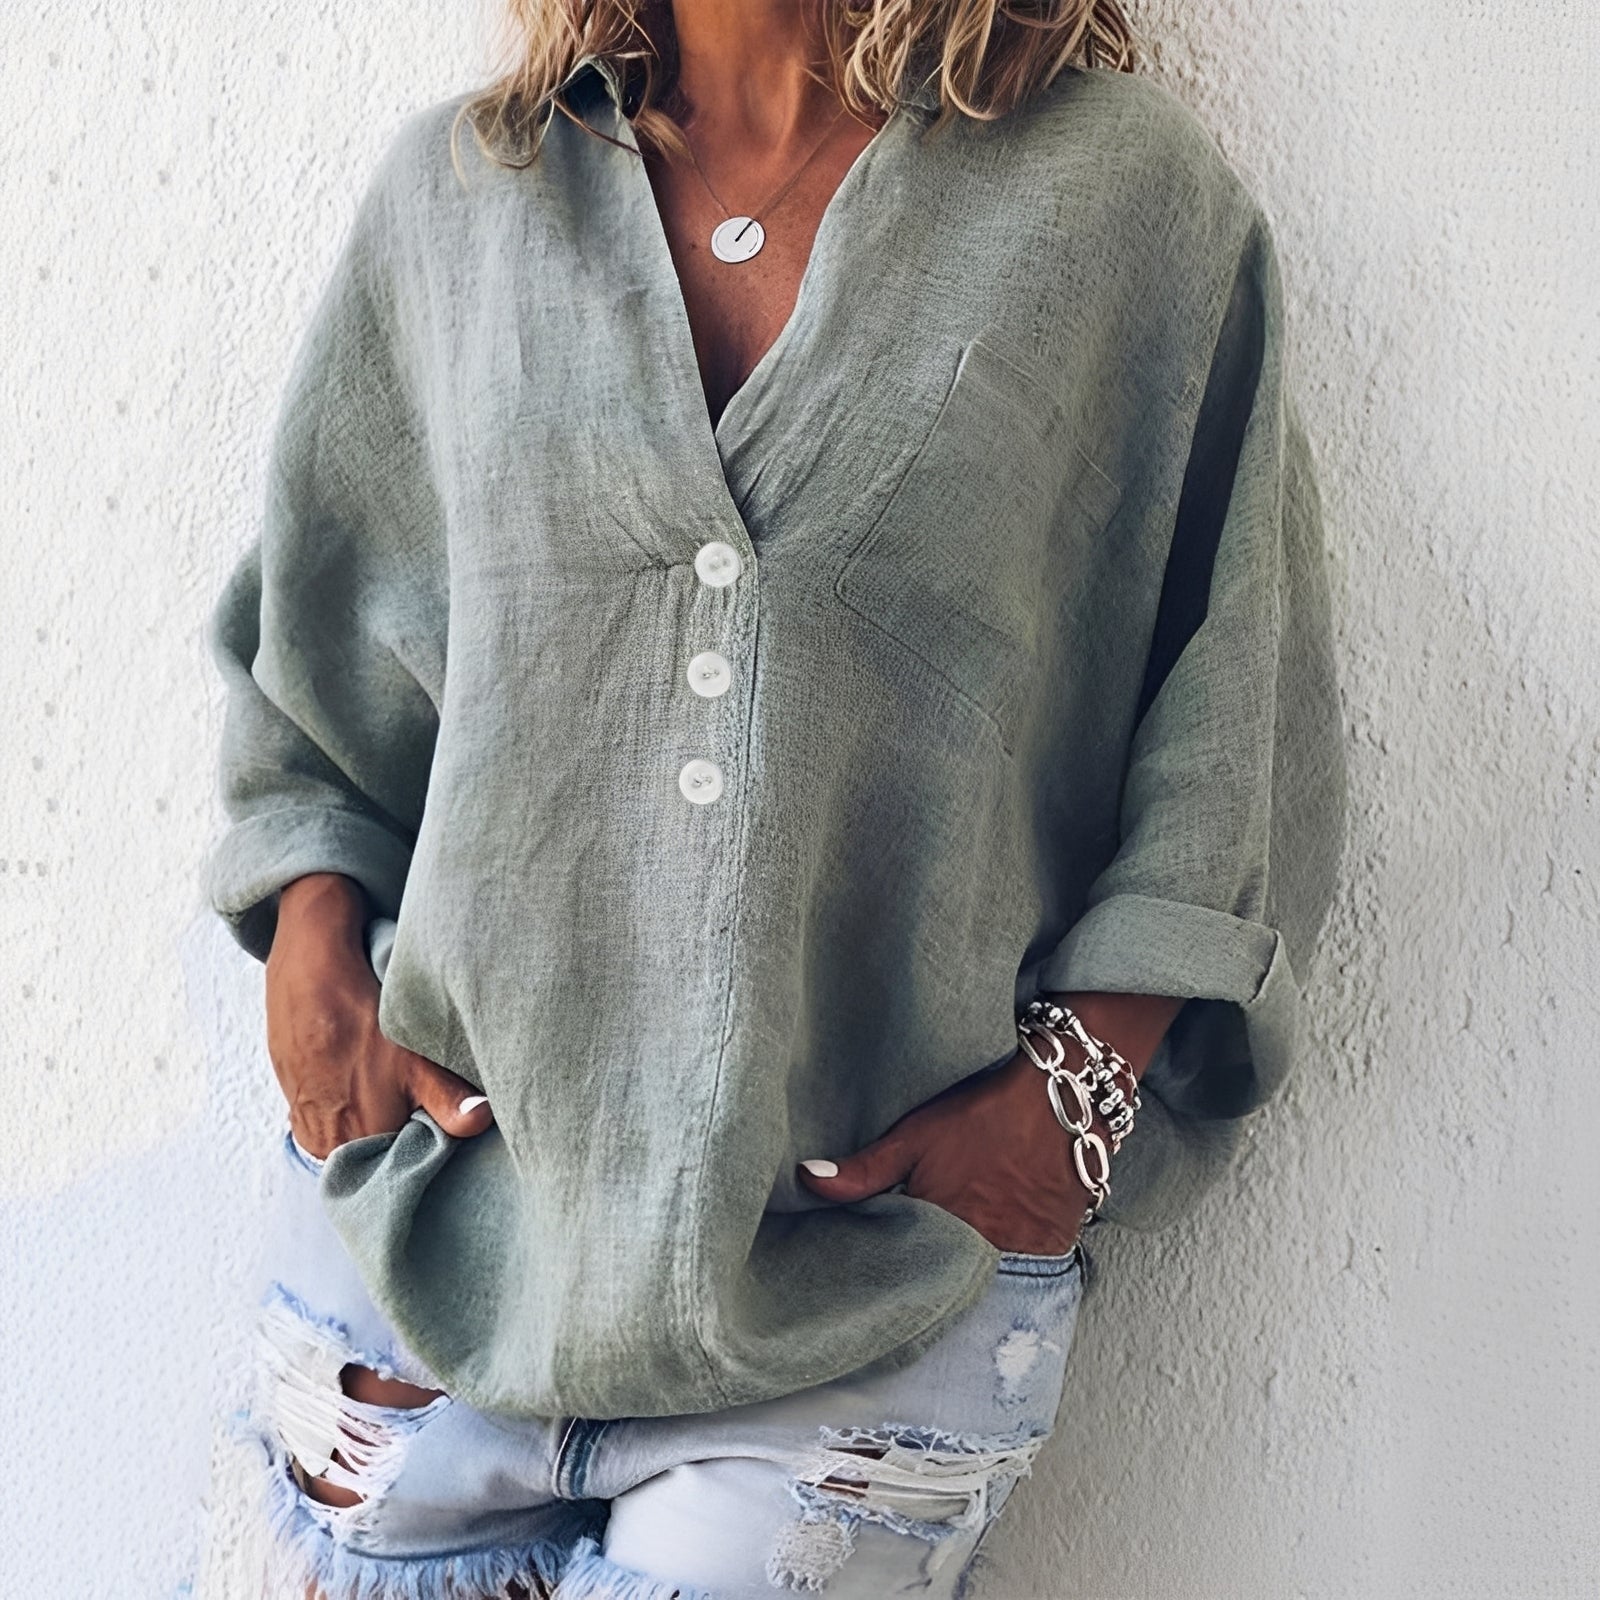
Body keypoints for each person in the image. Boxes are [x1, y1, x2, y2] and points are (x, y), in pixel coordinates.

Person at [203, 1, 1348, 1595]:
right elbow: (317, 672)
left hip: (865, 1308)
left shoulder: (1116, 200)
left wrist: (1074, 1099)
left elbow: (1238, 687)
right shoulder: (463, 196)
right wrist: (312, 958)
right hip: (417, 1271)